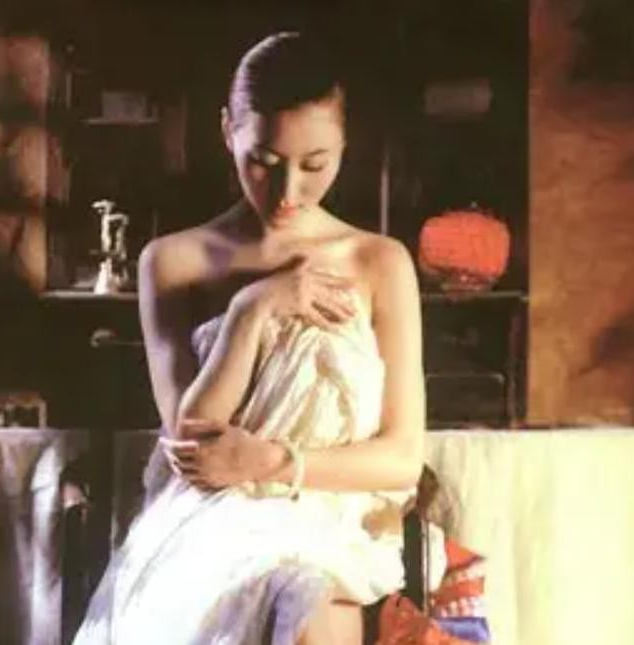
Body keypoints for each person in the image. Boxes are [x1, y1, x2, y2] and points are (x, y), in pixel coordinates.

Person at [73, 32, 428, 645]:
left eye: (314, 165)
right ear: (227, 132)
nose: (287, 192)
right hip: (208, 522)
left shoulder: (379, 262)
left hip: (332, 521)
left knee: (306, 597)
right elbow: (191, 439)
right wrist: (252, 307)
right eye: (263, 160)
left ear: (344, 146)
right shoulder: (174, 261)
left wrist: (274, 462)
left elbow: (402, 456)